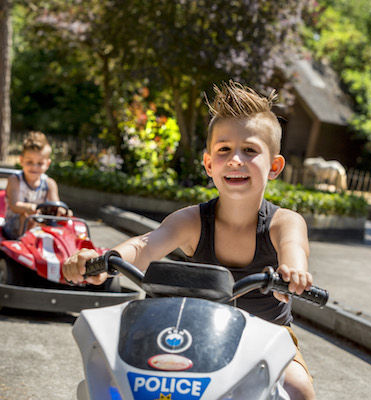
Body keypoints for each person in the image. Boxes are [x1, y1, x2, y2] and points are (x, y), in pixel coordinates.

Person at [63, 82, 315, 399]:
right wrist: (101, 260)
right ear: (209, 163)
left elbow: (294, 251)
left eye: (250, 150)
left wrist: (293, 272)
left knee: (298, 389)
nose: (236, 159)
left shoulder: (284, 223)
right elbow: (144, 246)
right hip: (195, 334)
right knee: (114, 381)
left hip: (265, 338)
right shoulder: (191, 221)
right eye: (224, 150)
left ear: (274, 165)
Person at [3, 131, 69, 239]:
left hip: (40, 224)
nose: (34, 167)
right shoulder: (14, 180)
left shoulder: (50, 183)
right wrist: (30, 207)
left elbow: (55, 207)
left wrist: (63, 211)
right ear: (21, 160)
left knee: (67, 224)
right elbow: (14, 205)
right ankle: (22, 244)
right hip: (13, 227)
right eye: (29, 162)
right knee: (27, 216)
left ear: (47, 164)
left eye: (40, 163)